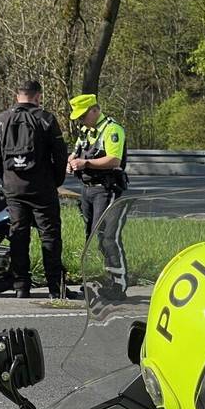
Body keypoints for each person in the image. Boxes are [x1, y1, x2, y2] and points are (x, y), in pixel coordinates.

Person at [0, 79, 69, 299]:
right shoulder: (46, 119)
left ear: (17, 96)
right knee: (50, 235)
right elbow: (60, 155)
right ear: (38, 96)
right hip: (42, 187)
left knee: (18, 234)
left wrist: (7, 179)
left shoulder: (0, 121)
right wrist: (55, 181)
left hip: (14, 188)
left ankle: (21, 286)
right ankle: (55, 287)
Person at [67, 93, 129, 301]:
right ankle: (95, 282)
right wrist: (72, 161)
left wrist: (86, 164)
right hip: (88, 190)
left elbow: (114, 159)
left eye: (83, 116)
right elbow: (75, 152)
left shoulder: (112, 129)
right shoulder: (86, 131)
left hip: (106, 189)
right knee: (91, 238)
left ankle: (117, 283)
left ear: (94, 110)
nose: (80, 121)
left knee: (107, 237)